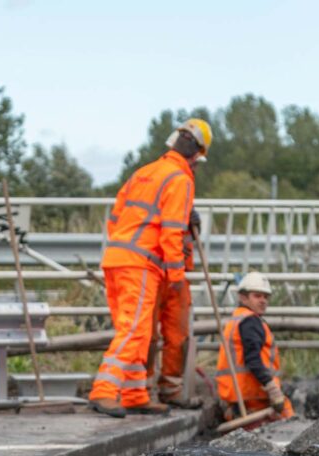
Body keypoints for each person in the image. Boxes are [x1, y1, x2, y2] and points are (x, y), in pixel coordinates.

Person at [89, 118, 213, 418]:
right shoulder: (179, 180)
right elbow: (171, 232)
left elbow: (116, 217)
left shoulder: (144, 172)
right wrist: (175, 275)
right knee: (134, 331)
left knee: (138, 331)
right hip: (142, 264)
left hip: (117, 258)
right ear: (197, 155)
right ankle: (104, 390)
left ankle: (134, 394)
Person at [145, 208, 204, 409]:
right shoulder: (162, 193)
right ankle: (143, 389)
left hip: (178, 274)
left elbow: (182, 238)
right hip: (152, 270)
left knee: (179, 334)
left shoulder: (183, 195)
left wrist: (195, 227)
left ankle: (171, 388)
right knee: (148, 334)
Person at [216, 271, 294, 421]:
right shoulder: (250, 322)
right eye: (257, 296)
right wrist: (272, 388)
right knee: (289, 422)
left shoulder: (238, 319)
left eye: (265, 297)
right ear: (243, 297)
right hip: (254, 396)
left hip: (238, 397)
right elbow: (253, 360)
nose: (263, 301)